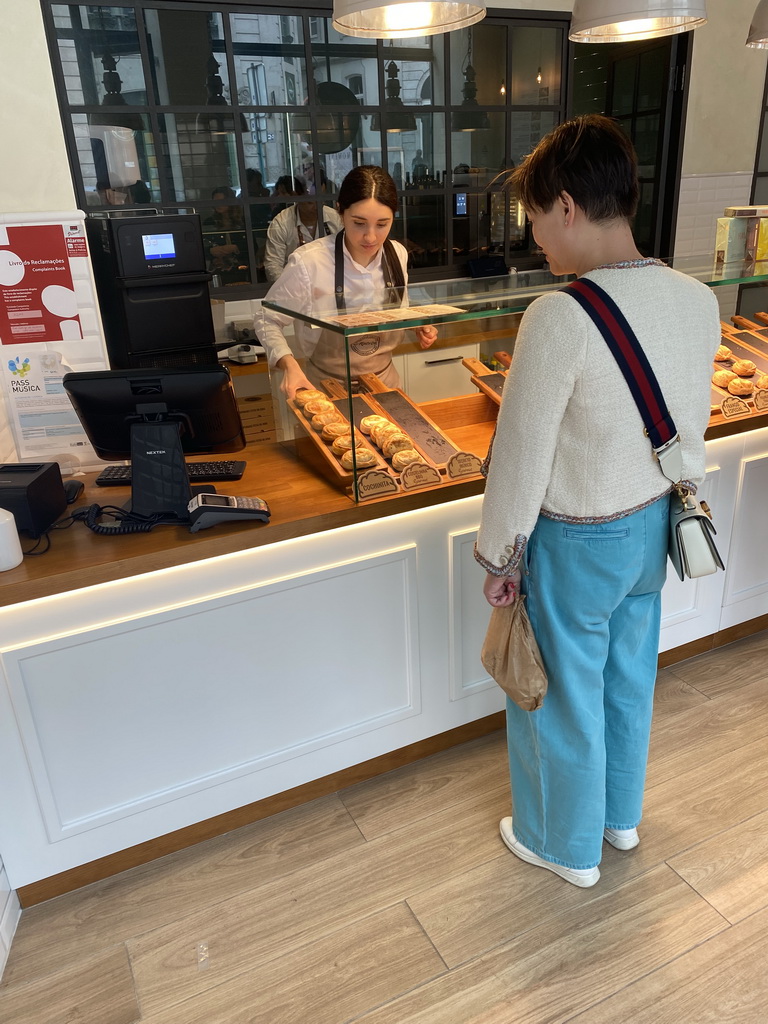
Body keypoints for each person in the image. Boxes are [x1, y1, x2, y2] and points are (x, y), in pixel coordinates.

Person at [474, 115, 720, 888]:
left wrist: (500, 556)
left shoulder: (558, 315)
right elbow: (692, 420)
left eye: (538, 219)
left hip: (577, 541)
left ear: (569, 206)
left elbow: (520, 456)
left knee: (561, 693)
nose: (537, 239)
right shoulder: (695, 298)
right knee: (627, 678)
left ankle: (562, 844)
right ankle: (619, 819)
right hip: (655, 527)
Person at [260, 165, 437, 396]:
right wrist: (289, 365)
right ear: (340, 212)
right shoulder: (309, 262)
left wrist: (415, 323)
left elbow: (394, 308)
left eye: (382, 224)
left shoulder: (398, 254)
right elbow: (266, 319)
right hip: (325, 387)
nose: (371, 237)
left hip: (385, 382)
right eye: (359, 223)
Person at [263, 177, 343, 283]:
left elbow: (346, 255)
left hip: (330, 284)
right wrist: (287, 289)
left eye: (320, 201)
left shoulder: (335, 218)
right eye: (310, 202)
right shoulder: (281, 223)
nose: (316, 206)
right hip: (293, 285)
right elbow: (273, 265)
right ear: (298, 199)